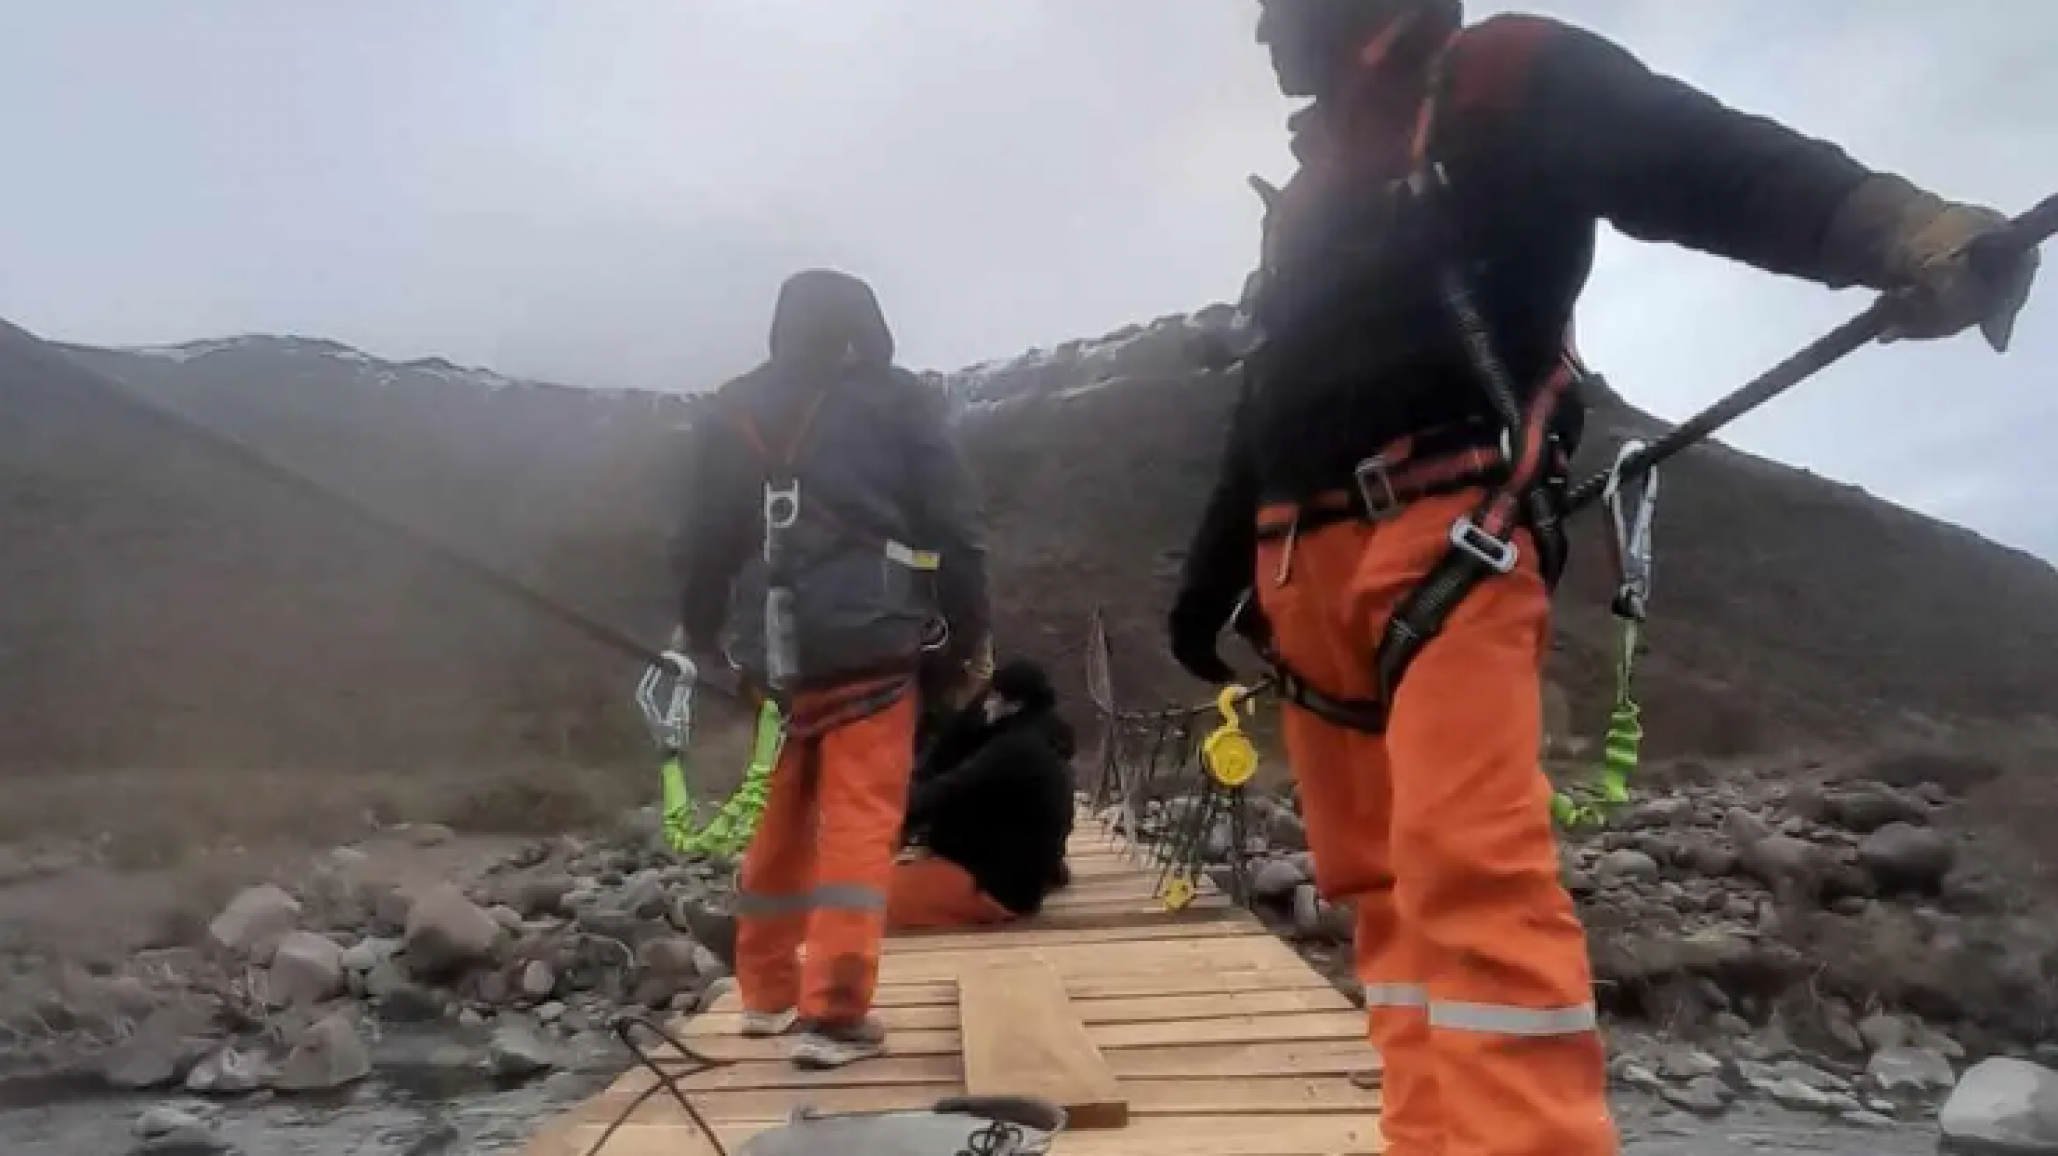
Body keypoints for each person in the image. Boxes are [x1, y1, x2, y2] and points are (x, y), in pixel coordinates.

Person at [1166, 4, 2040, 1156]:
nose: (1266, 35)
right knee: (1379, 897)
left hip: (1447, 534)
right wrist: (1211, 575)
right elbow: (1267, 401)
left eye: (1280, 8)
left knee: (1470, 881)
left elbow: (1705, 160)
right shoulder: (1319, 189)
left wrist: (1903, 230)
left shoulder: (1505, 77)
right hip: (1300, 571)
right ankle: (1427, 1135)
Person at [673, 268, 992, 1070]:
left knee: (782, 812)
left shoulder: (730, 409)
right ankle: (836, 1013)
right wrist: (965, 632)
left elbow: (704, 544)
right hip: (873, 638)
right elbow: (953, 524)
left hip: (773, 650)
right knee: (859, 815)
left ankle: (766, 992)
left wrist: (703, 636)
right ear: (863, 325)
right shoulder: (897, 401)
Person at [889, 658, 1076, 930]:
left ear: (1014, 704)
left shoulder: (1014, 751)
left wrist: (881, 814)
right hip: (1020, 878)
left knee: (865, 900)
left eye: (994, 696)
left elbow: (944, 792)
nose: (987, 703)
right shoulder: (1040, 738)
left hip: (994, 888)